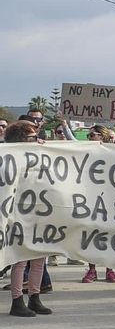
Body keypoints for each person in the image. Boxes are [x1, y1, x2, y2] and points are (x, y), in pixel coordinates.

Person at [4, 121, 52, 317]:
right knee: (20, 259)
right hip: (18, 214)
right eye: (33, 136)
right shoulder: (9, 157)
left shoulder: (39, 154)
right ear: (22, 139)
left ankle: (35, 296)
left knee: (39, 258)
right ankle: (17, 300)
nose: (37, 139)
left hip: (38, 211)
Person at [81, 124, 115, 284]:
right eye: (88, 136)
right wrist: (64, 124)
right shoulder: (85, 151)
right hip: (90, 198)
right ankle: (91, 270)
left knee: (108, 234)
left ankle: (109, 269)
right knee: (91, 235)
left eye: (92, 135)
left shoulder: (112, 151)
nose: (89, 138)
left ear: (101, 136)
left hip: (109, 200)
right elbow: (70, 143)